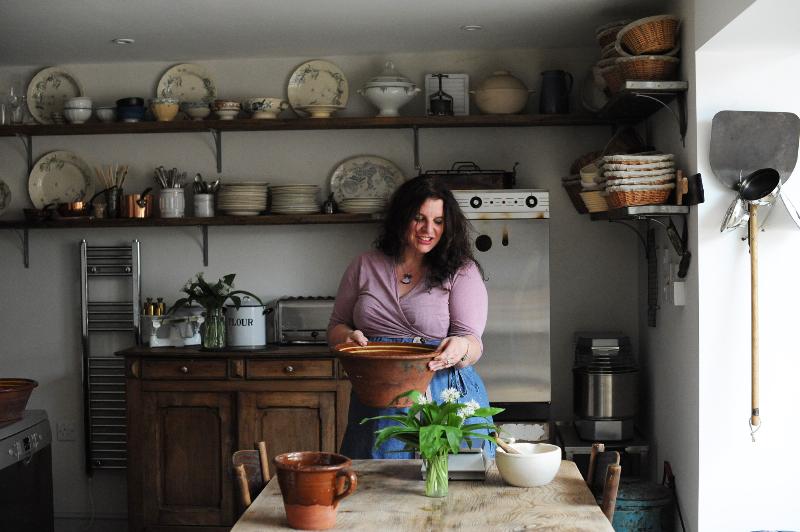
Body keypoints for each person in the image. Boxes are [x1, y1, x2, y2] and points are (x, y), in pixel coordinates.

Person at [328, 175, 496, 459]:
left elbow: (473, 343)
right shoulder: (364, 265)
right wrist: (347, 337)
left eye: (438, 221)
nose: (428, 229)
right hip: (378, 398)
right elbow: (336, 327)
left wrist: (461, 347)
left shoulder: (462, 270)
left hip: (445, 396)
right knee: (377, 491)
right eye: (419, 218)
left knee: (454, 490)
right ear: (401, 218)